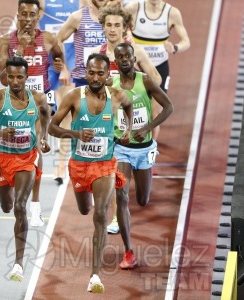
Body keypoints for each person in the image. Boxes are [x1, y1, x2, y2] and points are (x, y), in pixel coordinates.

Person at [49, 53, 133, 293]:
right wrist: (76, 134)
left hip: (105, 165)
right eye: (91, 73)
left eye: (100, 73)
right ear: (85, 73)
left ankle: (95, 275)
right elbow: (53, 127)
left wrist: (126, 128)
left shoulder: (116, 96)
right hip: (79, 166)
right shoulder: (74, 97)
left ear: (108, 75)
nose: (95, 77)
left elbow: (129, 106)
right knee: (85, 209)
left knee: (100, 214)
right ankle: (95, 271)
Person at [0, 57, 51, 282]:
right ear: (6, 76)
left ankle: (18, 264)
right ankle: (13, 191)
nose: (15, 82)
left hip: (26, 160)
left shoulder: (38, 99)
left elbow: (46, 115)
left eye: (20, 77)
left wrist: (44, 138)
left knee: (19, 206)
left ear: (27, 78)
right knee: (7, 207)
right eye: (11, 77)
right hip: (2, 160)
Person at [93, 6, 161, 234]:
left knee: (139, 194)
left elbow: (156, 79)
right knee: (113, 173)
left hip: (137, 125)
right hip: (110, 123)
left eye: (117, 25)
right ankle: (115, 216)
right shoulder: (98, 55)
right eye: (108, 25)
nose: (112, 29)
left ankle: (149, 153)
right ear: (103, 27)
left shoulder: (135, 52)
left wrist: (138, 93)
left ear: (125, 28)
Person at [0, 0, 64, 227]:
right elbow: (3, 79)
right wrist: (18, 51)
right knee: (19, 147)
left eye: (32, 15)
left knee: (36, 145)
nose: (27, 19)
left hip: (40, 100)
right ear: (17, 14)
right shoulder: (6, 42)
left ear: (38, 16)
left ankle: (35, 206)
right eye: (23, 14)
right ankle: (16, 186)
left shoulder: (48, 39)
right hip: (16, 102)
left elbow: (59, 59)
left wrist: (55, 71)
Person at [112, 43, 173, 269]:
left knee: (142, 200)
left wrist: (147, 127)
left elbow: (169, 108)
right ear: (116, 61)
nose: (125, 59)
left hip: (144, 148)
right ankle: (128, 252)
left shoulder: (145, 81)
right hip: (121, 149)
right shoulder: (112, 85)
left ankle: (145, 180)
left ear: (133, 57)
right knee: (122, 196)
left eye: (128, 55)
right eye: (120, 57)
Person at [125, 0, 190, 139]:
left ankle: (151, 150)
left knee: (155, 114)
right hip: (137, 67)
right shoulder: (133, 9)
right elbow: (119, 28)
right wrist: (128, 37)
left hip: (160, 67)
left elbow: (186, 41)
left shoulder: (172, 13)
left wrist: (175, 48)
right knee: (131, 109)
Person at [38, 0, 83, 186]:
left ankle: (61, 165)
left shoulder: (80, 1)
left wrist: (65, 67)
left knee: (65, 111)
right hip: (45, 57)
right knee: (43, 112)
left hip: (69, 55)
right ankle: (34, 157)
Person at [56, 0, 108, 87]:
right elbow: (58, 39)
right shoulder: (77, 17)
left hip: (108, 78)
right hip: (83, 78)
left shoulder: (115, 18)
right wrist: (64, 69)